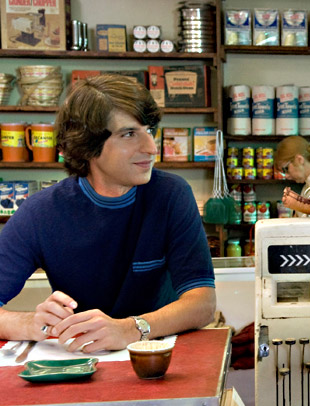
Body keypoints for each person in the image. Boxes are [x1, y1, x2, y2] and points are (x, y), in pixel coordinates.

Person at [0, 74, 216, 353]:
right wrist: (31, 323)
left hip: (160, 359)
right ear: (87, 144)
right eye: (128, 134)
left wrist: (129, 329)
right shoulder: (40, 212)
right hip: (82, 363)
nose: (151, 148)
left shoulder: (171, 195)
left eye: (149, 130)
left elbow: (203, 303)